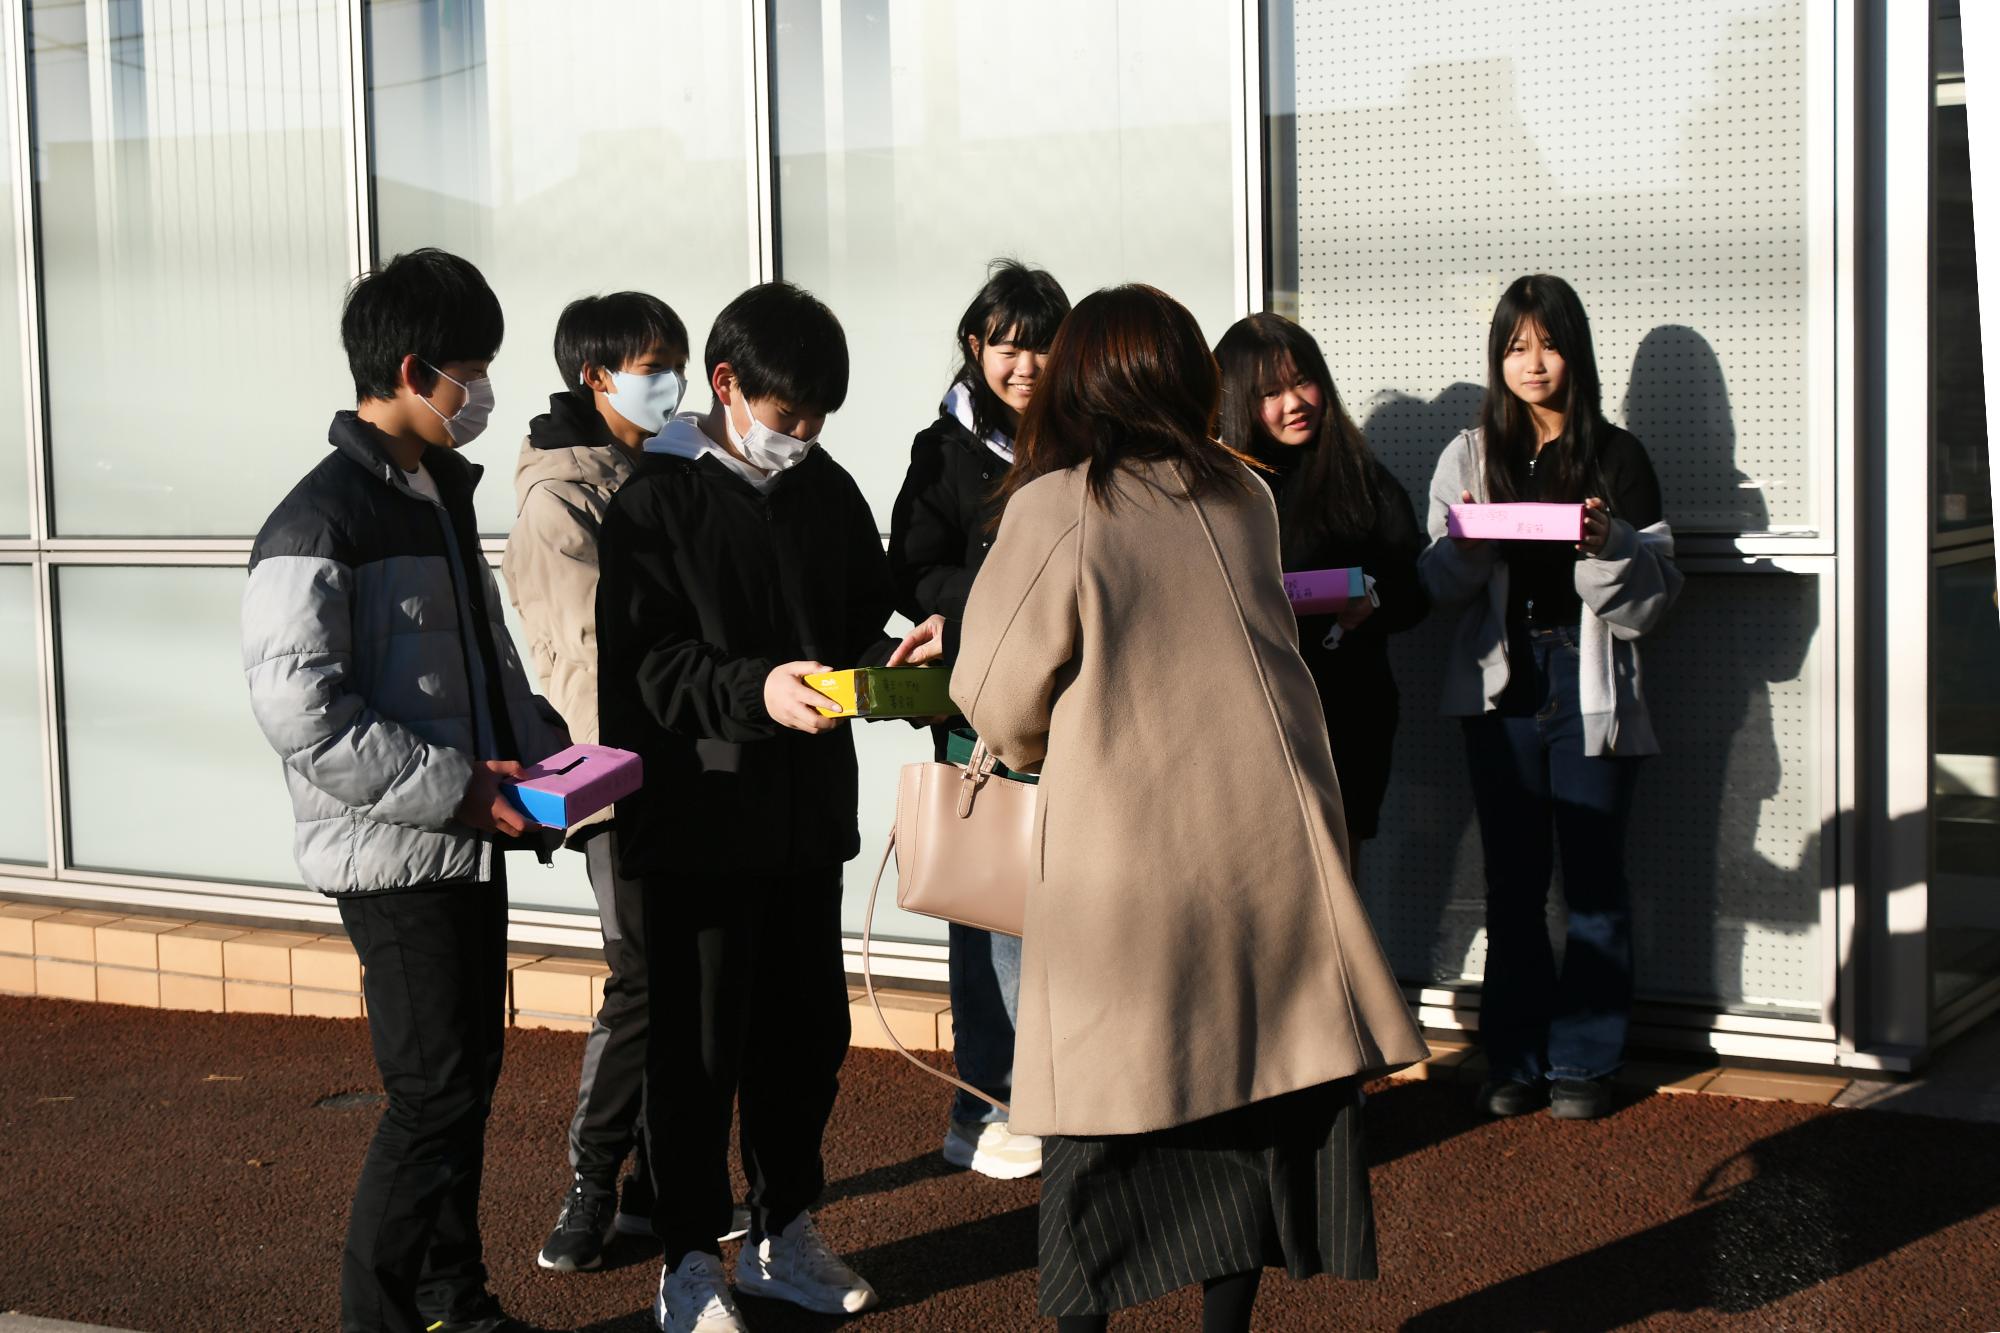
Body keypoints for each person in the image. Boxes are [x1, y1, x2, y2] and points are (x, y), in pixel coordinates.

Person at [934, 284, 1430, 1332]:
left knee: (1096, 1135)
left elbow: (993, 694)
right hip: (1264, 854)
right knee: (1247, 1111)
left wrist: (1035, 742)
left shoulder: (1057, 504)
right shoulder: (1240, 493)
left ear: (1077, 379)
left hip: (1124, 871)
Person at [597, 281, 939, 1333]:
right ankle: (689, 1260)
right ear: (726, 383)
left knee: (804, 1040)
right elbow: (646, 668)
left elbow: (853, 616)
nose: (801, 438)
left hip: (801, 823)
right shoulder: (651, 499)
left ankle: (784, 1230)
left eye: (817, 420)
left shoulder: (824, 489)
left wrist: (897, 656)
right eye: (786, 418)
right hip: (696, 824)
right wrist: (755, 691)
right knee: (695, 1054)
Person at [242, 248, 568, 1333]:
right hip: (398, 853)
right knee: (431, 1094)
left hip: (459, 837)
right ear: (417, 367)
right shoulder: (321, 518)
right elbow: (301, 712)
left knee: (461, 1085)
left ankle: (452, 1300)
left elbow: (482, 667)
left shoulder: (429, 494)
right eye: (472, 368)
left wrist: (550, 754)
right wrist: (457, 789)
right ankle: (382, 1318)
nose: (481, 392)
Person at [1416, 274, 1683, 1122]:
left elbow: (1652, 605)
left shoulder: (1618, 455)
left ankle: (1585, 1061)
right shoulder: (1469, 453)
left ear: (1577, 350)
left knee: (1595, 880)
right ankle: (1517, 1057)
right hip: (1502, 686)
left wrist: (1609, 544)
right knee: (1514, 883)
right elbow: (1435, 585)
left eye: (1549, 342)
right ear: (1498, 357)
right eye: (1516, 346)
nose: (1533, 363)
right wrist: (1464, 541)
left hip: (1589, 678)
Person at [503, 291, 693, 1271]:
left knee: (677, 980)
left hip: (690, 762)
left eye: (677, 363)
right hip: (621, 773)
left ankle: (655, 1190)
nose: (672, 383)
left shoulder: (656, 464)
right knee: (642, 978)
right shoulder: (562, 494)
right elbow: (587, 655)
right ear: (596, 374)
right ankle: (590, 1182)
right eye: (653, 365)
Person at [887, 258, 1069, 1180]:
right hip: (981, 710)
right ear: (975, 345)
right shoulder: (945, 448)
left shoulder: (1083, 439)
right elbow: (909, 569)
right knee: (991, 908)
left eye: (1041, 343)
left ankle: (1045, 1092)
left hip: (1073, 709)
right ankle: (990, 1100)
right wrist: (997, 600)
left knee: (1059, 911)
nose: (1025, 363)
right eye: (1007, 344)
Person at [1213, 313, 1429, 853]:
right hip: (1243, 714)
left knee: (1338, 878)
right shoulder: (1214, 488)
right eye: (1269, 391)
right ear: (1237, 398)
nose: (1294, 402)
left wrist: (1372, 603)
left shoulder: (1362, 478)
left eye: (1302, 381)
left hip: (1347, 711)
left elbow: (1414, 587)